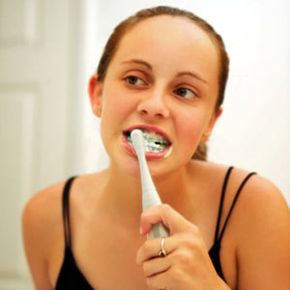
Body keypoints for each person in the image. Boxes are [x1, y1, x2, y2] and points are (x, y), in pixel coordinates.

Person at [22, 6, 290, 290]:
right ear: (97, 95)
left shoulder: (254, 207)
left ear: (210, 122)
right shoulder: (46, 215)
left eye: (183, 91)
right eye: (134, 79)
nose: (154, 106)